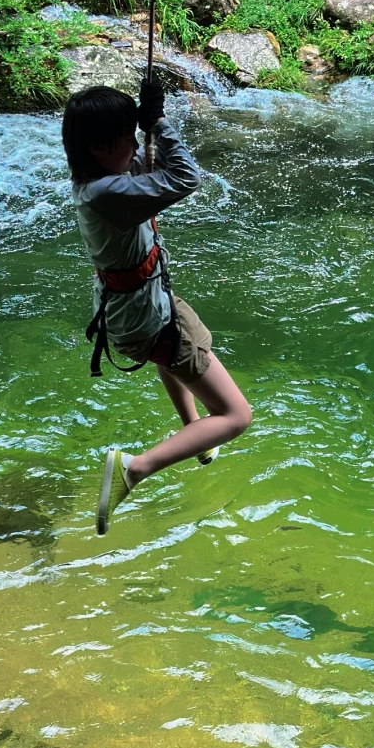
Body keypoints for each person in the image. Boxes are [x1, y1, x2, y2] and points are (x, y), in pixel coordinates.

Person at [63, 79, 252, 534]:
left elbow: (153, 179)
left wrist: (145, 125)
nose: (134, 142)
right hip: (147, 315)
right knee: (236, 415)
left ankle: (195, 435)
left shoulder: (97, 183)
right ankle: (135, 467)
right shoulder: (110, 194)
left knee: (174, 354)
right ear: (98, 147)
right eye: (127, 136)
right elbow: (186, 178)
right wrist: (159, 122)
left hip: (139, 307)